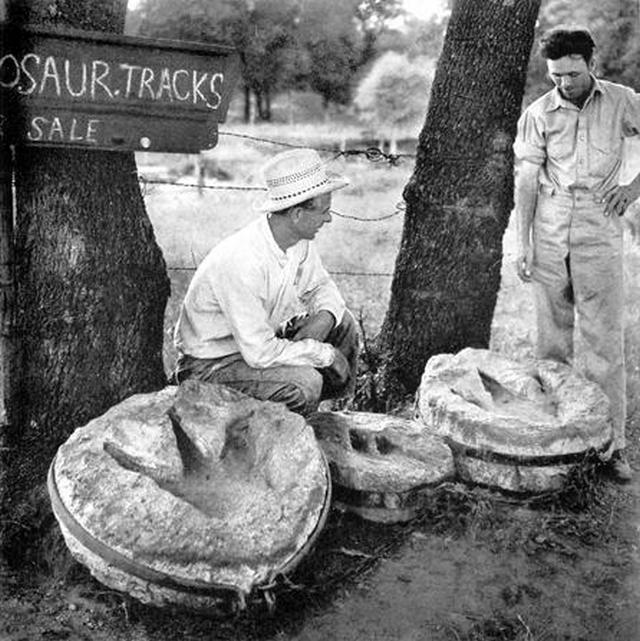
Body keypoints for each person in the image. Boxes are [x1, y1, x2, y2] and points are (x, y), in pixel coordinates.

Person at [513, 25, 640, 482]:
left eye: (571, 74)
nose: (563, 84)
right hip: (549, 225)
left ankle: (612, 448)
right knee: (551, 339)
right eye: (555, 76)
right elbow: (526, 179)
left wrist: (632, 189)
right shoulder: (538, 112)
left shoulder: (623, 100)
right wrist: (521, 241)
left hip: (599, 224)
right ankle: (556, 442)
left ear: (591, 63)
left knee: (605, 342)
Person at [173, 148, 359, 416]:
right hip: (212, 364)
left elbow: (321, 285)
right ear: (296, 214)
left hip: (252, 346)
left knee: (343, 322)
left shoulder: (297, 243)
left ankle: (322, 416)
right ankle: (284, 429)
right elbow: (259, 354)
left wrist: (325, 317)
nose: (328, 218)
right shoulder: (242, 260)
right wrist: (324, 354)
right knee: (305, 384)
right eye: (324, 211)